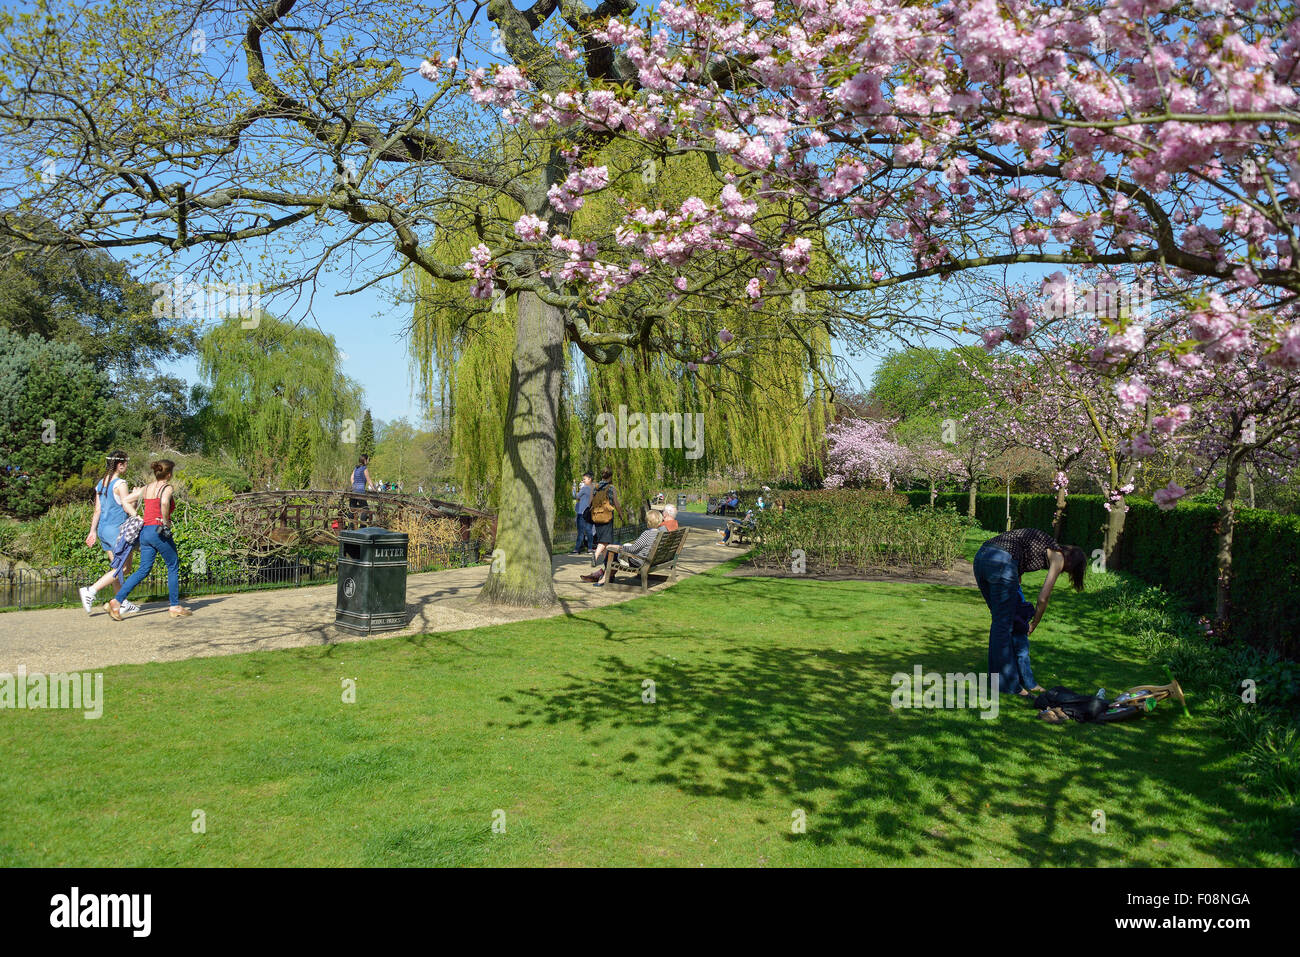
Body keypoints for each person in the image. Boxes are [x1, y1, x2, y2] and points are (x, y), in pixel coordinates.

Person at [973, 527, 1087, 699]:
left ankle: (997, 679)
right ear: (1071, 564)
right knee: (1003, 626)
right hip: (1001, 561)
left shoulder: (1042, 544)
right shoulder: (1058, 557)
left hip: (982, 557)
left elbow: (1017, 573)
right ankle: (1010, 685)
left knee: (1000, 623)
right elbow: (1043, 598)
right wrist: (1034, 623)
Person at [108, 460, 192, 620]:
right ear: (169, 474)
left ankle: (116, 601)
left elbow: (125, 501)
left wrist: (136, 515)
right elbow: (165, 501)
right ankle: (174, 606)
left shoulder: (146, 488)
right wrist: (165, 520)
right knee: (173, 565)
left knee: (143, 570)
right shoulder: (166, 487)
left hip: (145, 532)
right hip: (157, 530)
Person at [80, 450, 143, 617]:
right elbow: (127, 508)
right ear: (120, 464)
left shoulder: (101, 483)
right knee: (124, 567)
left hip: (103, 530)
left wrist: (92, 531)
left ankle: (120, 602)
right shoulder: (121, 483)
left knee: (117, 568)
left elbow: (97, 510)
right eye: (126, 463)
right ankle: (91, 590)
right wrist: (136, 497)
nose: (127, 466)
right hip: (117, 530)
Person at [582, 510, 665, 585]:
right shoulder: (660, 533)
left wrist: (619, 547)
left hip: (639, 561)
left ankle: (605, 577)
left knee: (612, 552)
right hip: (650, 560)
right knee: (615, 550)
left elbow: (633, 549)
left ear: (648, 521)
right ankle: (604, 575)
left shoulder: (647, 534)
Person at [588, 468, 624, 549]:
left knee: (601, 540)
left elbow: (590, 502)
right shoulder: (611, 488)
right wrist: (620, 514)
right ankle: (596, 556)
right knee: (606, 541)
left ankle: (606, 561)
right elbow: (616, 503)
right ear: (610, 477)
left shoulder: (595, 487)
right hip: (607, 516)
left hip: (596, 515)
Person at [573, 472, 595, 554]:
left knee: (581, 532)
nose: (583, 480)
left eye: (584, 479)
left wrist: (574, 487)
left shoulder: (585, 488)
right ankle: (589, 549)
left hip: (582, 513)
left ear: (589, 479)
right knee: (589, 531)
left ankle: (576, 549)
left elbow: (576, 496)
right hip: (590, 513)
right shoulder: (594, 488)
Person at [349, 454, 373, 527]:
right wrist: (375, 489)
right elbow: (369, 480)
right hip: (360, 492)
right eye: (368, 459)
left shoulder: (356, 468)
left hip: (353, 490)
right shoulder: (364, 468)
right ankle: (362, 527)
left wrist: (354, 485)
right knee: (365, 509)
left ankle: (350, 527)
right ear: (365, 460)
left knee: (352, 509)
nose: (368, 461)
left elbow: (351, 478)